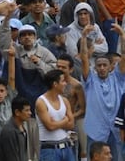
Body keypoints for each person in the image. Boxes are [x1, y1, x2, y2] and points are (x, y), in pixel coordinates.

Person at [81, 22, 125, 161]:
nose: (101, 68)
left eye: (104, 65)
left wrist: (122, 35)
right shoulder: (90, 80)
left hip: (115, 131)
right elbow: (84, 58)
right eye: (98, 65)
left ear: (110, 67)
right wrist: (83, 36)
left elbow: (124, 55)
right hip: (95, 131)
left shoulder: (117, 78)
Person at [36, 69, 75, 160]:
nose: (65, 84)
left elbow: (71, 125)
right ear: (55, 84)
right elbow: (50, 126)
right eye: (63, 81)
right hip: (49, 150)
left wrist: (56, 123)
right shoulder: (41, 102)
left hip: (66, 146)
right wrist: (64, 120)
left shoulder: (64, 101)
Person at [57, 54, 87, 159]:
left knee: (72, 153)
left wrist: (70, 117)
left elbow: (83, 109)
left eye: (63, 67)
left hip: (71, 123)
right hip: (54, 122)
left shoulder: (77, 86)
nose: (60, 69)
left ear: (71, 69)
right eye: (58, 66)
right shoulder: (52, 83)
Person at [0, 96, 33, 161]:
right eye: (26, 110)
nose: (30, 113)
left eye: (29, 110)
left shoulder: (22, 129)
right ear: (17, 112)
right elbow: (11, 157)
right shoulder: (9, 132)